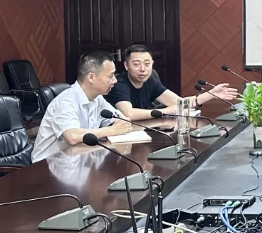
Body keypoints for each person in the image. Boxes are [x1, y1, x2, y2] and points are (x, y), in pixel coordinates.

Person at [32, 51, 132, 163]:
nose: (115, 80)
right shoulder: (66, 101)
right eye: (110, 76)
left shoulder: (97, 99)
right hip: (48, 165)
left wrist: (120, 124)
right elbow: (72, 136)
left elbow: (121, 120)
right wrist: (111, 130)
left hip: (78, 160)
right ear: (91, 77)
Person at [105, 44, 238, 121]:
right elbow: (128, 114)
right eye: (136, 64)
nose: (143, 69)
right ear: (126, 66)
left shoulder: (150, 81)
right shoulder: (119, 83)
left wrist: (211, 94)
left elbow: (179, 103)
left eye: (147, 63)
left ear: (152, 63)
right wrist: (165, 111)